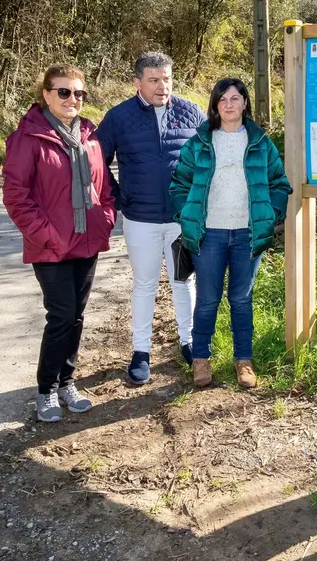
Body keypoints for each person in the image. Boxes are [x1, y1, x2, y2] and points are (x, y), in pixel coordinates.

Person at [3, 64, 117, 422]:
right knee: (62, 315)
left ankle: (67, 382)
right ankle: (46, 391)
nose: (73, 99)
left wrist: (106, 219)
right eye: (64, 92)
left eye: (79, 93)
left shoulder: (90, 137)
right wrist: (46, 235)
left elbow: (105, 187)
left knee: (77, 316)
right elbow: (16, 196)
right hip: (51, 245)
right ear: (47, 94)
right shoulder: (28, 138)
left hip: (87, 241)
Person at [170, 77, 292, 389]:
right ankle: (201, 359)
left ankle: (244, 361)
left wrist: (270, 215)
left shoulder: (260, 143)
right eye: (222, 99)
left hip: (246, 235)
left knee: (241, 298)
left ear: (245, 103)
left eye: (235, 98)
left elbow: (279, 183)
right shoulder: (199, 143)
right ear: (214, 105)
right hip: (208, 234)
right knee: (208, 299)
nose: (229, 104)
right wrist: (187, 216)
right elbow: (179, 184)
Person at [97, 52, 205, 385]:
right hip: (140, 219)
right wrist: (119, 197)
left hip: (179, 219)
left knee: (183, 281)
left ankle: (190, 343)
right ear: (138, 82)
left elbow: (209, 158)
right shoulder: (118, 117)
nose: (162, 86)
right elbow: (97, 163)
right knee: (144, 285)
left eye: (167, 79)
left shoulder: (190, 112)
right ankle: (141, 351)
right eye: (154, 80)